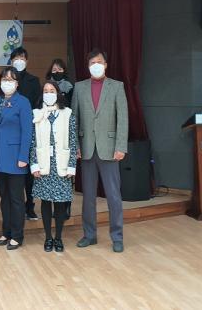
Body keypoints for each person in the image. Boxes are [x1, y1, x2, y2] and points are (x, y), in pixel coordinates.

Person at [72, 48, 128, 253]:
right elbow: (74, 119)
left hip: (110, 149)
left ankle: (117, 237)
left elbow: (123, 118)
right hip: (86, 149)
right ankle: (89, 235)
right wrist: (76, 146)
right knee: (88, 196)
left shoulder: (117, 86)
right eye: (92, 63)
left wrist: (121, 146)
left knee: (113, 195)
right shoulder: (79, 87)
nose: (95, 65)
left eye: (99, 62)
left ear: (105, 65)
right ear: (88, 66)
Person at [30, 81, 77, 253]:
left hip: (61, 164)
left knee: (60, 203)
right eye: (46, 91)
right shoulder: (36, 114)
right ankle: (48, 237)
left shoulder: (68, 113)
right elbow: (32, 142)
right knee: (45, 202)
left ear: (58, 93)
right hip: (43, 164)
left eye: (52, 90)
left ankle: (58, 238)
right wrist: (34, 164)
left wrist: (71, 166)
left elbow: (73, 140)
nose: (48, 93)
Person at [0, 66, 33, 250]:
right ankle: (6, 231)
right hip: (0, 157)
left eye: (10, 80)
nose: (7, 83)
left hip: (16, 158)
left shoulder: (23, 102)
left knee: (16, 198)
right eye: (4, 79)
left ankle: (17, 234)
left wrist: (24, 156)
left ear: (17, 83)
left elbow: (27, 131)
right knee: (4, 198)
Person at [10, 46, 41, 221]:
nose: (19, 61)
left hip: (29, 130)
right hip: (12, 132)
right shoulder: (7, 80)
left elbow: (38, 104)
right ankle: (17, 205)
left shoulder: (34, 81)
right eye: (16, 58)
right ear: (11, 61)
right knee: (15, 171)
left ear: (26, 61)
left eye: (22, 58)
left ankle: (30, 206)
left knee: (29, 172)